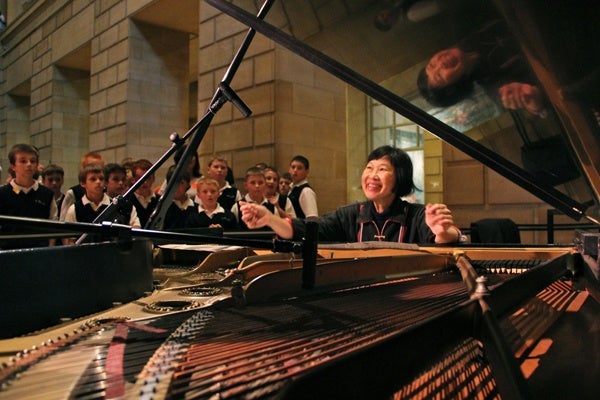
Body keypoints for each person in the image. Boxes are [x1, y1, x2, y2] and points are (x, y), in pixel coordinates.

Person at [241, 146, 460, 244]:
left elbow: (447, 237)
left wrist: (443, 231)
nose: (372, 175)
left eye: (382, 169)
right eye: (369, 168)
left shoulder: (417, 215)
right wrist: (270, 219)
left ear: (400, 177)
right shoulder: (350, 215)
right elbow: (309, 229)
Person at [417, 19, 545, 116]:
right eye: (439, 76)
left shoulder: (462, 24)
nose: (440, 64)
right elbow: (537, 103)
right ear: (455, 87)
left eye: (432, 65)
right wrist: (531, 98)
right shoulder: (493, 84)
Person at [0, 144, 58, 249]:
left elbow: (53, 225)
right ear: (13, 166)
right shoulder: (3, 193)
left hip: (39, 253)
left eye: (32, 161)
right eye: (23, 161)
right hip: (8, 254)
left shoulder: (47, 194)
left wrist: (49, 250)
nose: (29, 164)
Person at [64, 164, 140, 244]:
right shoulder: (74, 209)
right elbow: (69, 241)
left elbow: (136, 230)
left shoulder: (119, 206)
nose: (98, 182)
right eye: (93, 179)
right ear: (83, 183)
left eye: (101, 179)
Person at [59, 151, 104, 220]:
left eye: (99, 167)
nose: (95, 169)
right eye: (91, 166)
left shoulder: (106, 193)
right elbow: (64, 220)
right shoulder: (73, 193)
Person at [162, 166, 200, 230]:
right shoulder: (162, 208)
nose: (176, 186)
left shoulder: (197, 209)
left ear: (188, 184)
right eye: (173, 182)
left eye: (181, 183)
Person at [103, 163, 140, 228]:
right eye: (116, 179)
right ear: (105, 182)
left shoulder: (128, 205)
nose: (121, 183)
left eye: (123, 179)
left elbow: (136, 228)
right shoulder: (99, 203)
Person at [129, 158, 158, 228]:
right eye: (140, 178)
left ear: (154, 179)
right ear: (133, 180)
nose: (145, 182)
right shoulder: (127, 201)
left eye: (148, 178)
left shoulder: (160, 200)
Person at [287, 155, 318, 219]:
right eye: (293, 167)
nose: (295, 170)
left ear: (307, 171)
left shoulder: (306, 191)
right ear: (289, 169)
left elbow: (312, 219)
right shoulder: (292, 188)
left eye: (299, 168)